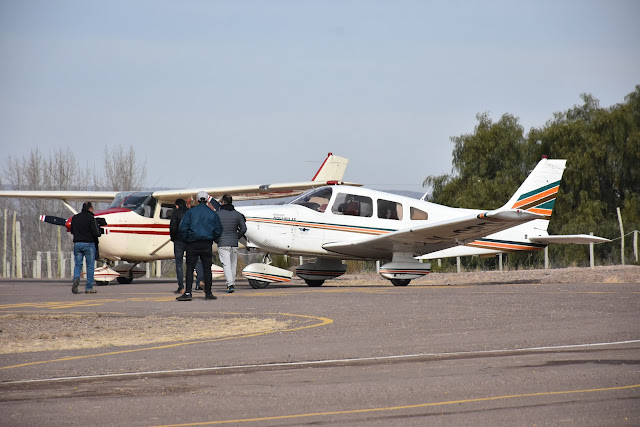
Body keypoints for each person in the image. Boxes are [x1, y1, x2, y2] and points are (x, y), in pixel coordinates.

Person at [176, 191, 222, 301]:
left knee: (190, 268)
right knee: (207, 269)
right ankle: (208, 293)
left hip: (192, 244)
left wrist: (187, 239)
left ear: (197, 200)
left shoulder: (190, 212)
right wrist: (212, 238)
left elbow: (182, 228)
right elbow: (218, 230)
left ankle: (188, 292)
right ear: (206, 200)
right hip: (207, 244)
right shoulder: (212, 213)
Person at [216, 194, 247, 293]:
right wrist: (237, 236)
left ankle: (230, 284)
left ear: (223, 202)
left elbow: (213, 228)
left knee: (226, 264)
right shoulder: (237, 214)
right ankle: (232, 283)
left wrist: (216, 239)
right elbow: (243, 228)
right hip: (234, 242)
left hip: (222, 242)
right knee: (233, 264)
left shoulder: (217, 214)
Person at [70, 202, 101, 294]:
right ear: (90, 208)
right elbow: (96, 233)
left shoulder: (75, 218)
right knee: (90, 266)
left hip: (77, 244)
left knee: (78, 264)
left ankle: (76, 278)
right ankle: (89, 287)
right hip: (88, 244)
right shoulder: (91, 218)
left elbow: (72, 231)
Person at [169, 198, 188, 294]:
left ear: (177, 206)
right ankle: (198, 282)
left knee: (179, 264)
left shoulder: (175, 213)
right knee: (194, 263)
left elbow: (173, 227)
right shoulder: (190, 212)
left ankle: (181, 286)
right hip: (189, 240)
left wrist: (173, 238)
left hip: (179, 240)